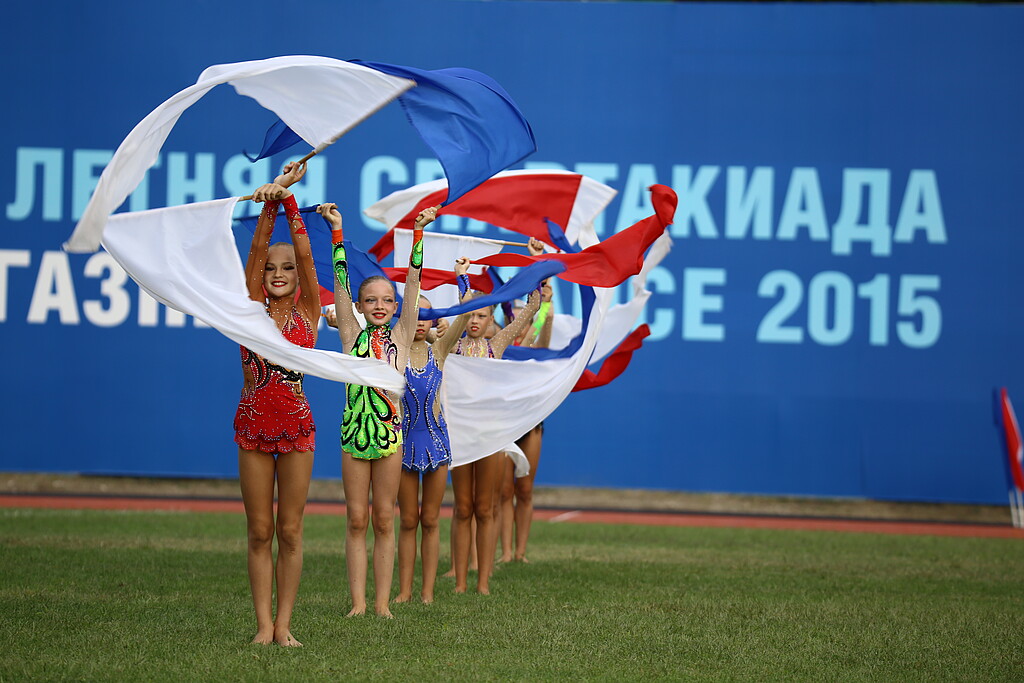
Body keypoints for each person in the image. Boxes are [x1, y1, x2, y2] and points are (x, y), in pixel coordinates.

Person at [319, 201, 437, 618]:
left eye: (388, 300)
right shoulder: (351, 332)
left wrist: (418, 234)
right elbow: (340, 283)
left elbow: (415, 282)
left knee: (385, 519)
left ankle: (383, 604)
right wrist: (337, 233)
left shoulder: (404, 334)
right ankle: (357, 603)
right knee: (355, 519)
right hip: (354, 435)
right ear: (361, 307)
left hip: (391, 436)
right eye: (371, 300)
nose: (381, 306)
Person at [234, 161, 318, 647]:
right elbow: (257, 250)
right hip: (252, 426)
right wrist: (271, 202)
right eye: (272, 269)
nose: (280, 273)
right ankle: (263, 626)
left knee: (289, 529)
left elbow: (306, 257)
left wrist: (289, 203)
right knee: (259, 529)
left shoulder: (308, 310)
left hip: (298, 429)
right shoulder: (248, 308)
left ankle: (285, 624)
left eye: (287, 269)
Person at [449, 243, 544, 594]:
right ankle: (460, 581)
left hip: (489, 435)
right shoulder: (449, 343)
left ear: (491, 322)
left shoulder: (497, 344)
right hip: (460, 435)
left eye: (482, 316)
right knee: (462, 507)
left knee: (485, 508)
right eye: (471, 315)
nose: (475, 321)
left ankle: (483, 582)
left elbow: (531, 309)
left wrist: (534, 266)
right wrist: (461, 277)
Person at [394, 294, 466, 605]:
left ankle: (427, 593)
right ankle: (404, 591)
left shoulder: (439, 350)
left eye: (427, 314)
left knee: (431, 520)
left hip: (436, 443)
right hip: (404, 444)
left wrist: (462, 283)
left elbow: (463, 318)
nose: (421, 320)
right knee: (409, 520)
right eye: (414, 313)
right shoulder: (392, 351)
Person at [499, 281, 554, 563]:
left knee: (525, 488)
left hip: (531, 424)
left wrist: (546, 297)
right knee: (505, 489)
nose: (520, 324)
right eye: (515, 318)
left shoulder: (535, 345)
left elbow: (545, 320)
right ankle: (507, 552)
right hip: (505, 425)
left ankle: (521, 552)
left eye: (526, 319)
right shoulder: (499, 344)